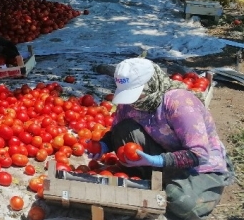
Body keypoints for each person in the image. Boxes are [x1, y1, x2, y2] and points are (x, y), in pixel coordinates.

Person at [90, 58, 234, 220]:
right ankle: (153, 179)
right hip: (163, 156)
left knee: (176, 199)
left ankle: (197, 189)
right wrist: (102, 145)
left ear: (151, 83)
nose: (133, 101)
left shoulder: (179, 103)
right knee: (124, 129)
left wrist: (158, 161)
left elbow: (199, 154)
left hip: (199, 167)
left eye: (137, 93)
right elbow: (116, 131)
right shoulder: (129, 102)